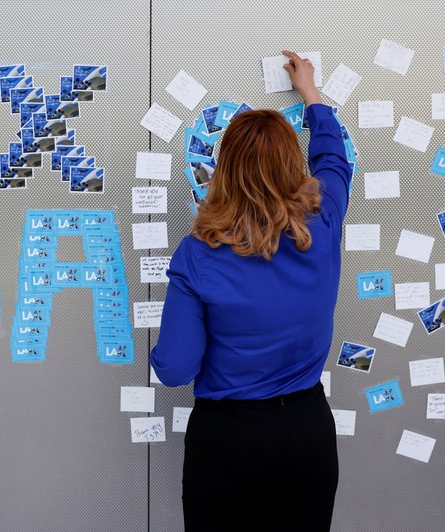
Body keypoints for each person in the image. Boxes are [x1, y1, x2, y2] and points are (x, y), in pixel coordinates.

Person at [150, 50, 352, 532]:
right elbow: (334, 161)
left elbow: (175, 369)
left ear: (225, 169)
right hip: (308, 434)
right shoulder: (323, 224)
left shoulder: (197, 255)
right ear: (293, 165)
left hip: (230, 442)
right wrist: (311, 95)